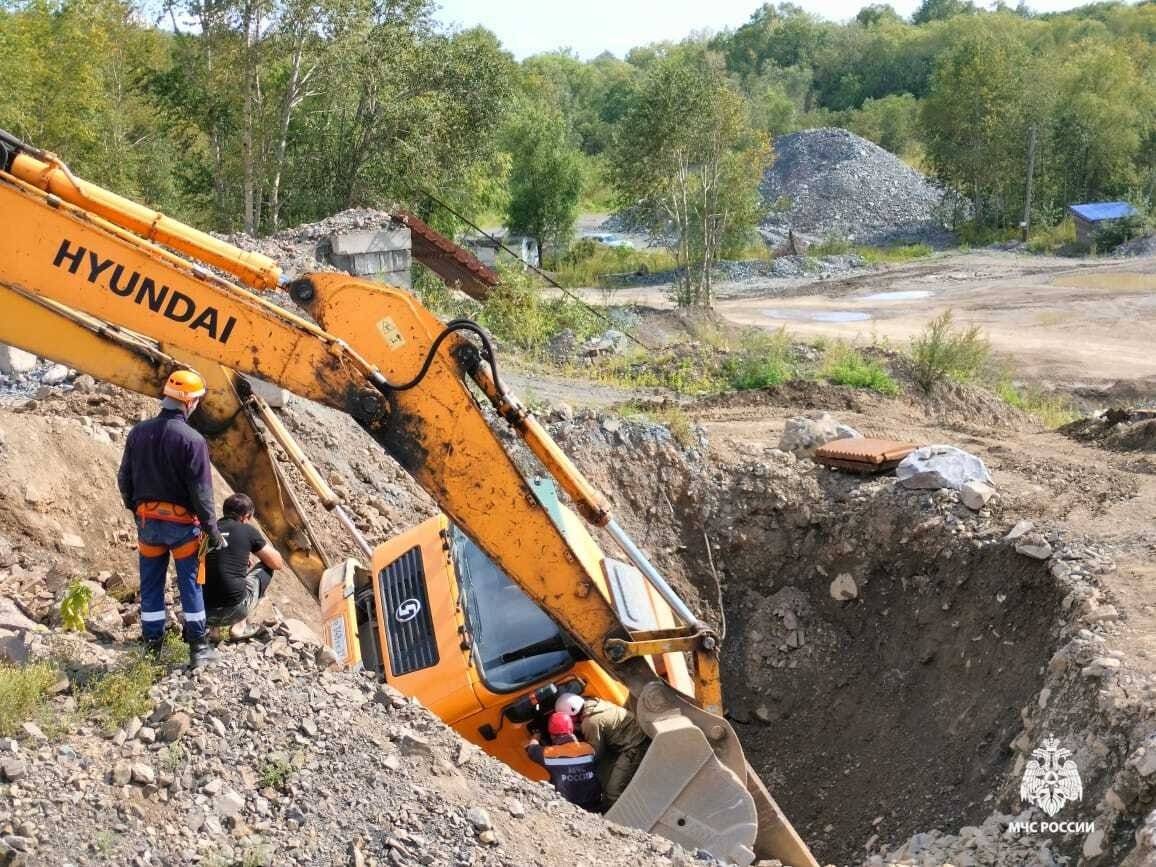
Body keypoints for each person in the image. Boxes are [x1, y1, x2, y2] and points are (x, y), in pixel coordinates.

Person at [117, 369, 222, 668]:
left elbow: (124, 478)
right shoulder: (193, 440)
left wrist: (135, 510)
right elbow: (201, 491)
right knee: (190, 584)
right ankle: (198, 649)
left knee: (151, 585)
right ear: (189, 403)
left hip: (148, 524)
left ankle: (152, 647)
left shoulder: (138, 433)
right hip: (182, 528)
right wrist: (211, 530)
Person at [204, 492, 284, 639]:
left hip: (203, 612)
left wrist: (239, 556)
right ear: (245, 516)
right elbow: (277, 563)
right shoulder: (247, 530)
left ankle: (213, 630)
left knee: (212, 571)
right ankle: (239, 627)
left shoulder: (208, 530)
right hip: (235, 611)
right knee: (267, 567)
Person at [555, 692, 649, 807]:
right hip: (636, 734)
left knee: (612, 792)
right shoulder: (595, 704)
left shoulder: (589, 723)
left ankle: (623, 819)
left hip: (635, 746)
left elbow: (595, 755)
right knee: (606, 772)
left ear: (573, 714)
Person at [525, 712, 602, 812]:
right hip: (595, 802)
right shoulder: (588, 748)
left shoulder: (549, 754)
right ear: (572, 729)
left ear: (552, 736)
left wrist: (536, 736)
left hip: (570, 808)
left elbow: (531, 749)